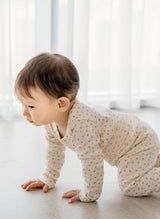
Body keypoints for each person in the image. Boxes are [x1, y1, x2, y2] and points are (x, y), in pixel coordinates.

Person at [15, 53, 160, 203]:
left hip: (138, 142)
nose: (24, 112)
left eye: (31, 106)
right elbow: (54, 151)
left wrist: (89, 194)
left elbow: (92, 163)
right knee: (144, 166)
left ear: (61, 104)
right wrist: (48, 178)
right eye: (23, 104)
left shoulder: (81, 125)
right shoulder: (53, 123)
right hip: (136, 138)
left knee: (130, 185)